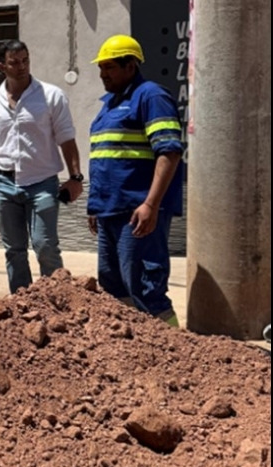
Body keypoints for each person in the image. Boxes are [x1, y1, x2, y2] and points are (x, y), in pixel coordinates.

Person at [0, 40, 83, 294]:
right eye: (14, 62)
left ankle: (59, 299)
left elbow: (66, 138)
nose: (22, 67)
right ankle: (22, 303)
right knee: (14, 250)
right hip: (4, 184)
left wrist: (75, 177)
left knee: (45, 245)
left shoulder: (51, 96)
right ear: (1, 67)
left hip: (42, 183)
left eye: (25, 60)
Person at [87, 35, 184, 327]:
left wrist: (151, 205)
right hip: (109, 210)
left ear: (130, 66)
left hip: (137, 212)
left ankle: (172, 346)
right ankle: (130, 344)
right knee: (113, 287)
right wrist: (96, 205)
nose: (103, 74)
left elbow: (169, 153)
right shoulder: (109, 104)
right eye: (101, 67)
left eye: (109, 67)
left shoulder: (151, 97)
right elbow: (106, 158)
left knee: (144, 287)